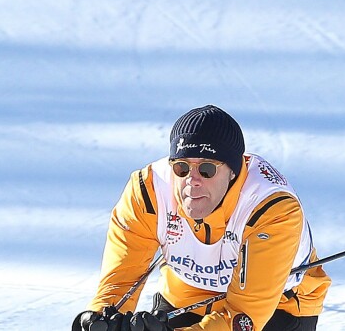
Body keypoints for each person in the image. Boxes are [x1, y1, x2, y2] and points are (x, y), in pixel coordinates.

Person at [73, 105, 331, 331]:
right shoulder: (148, 192)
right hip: (186, 295)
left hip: (278, 306)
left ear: (233, 171)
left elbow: (244, 317)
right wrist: (100, 317)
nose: (191, 181)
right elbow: (121, 282)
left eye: (206, 169)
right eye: (181, 168)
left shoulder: (271, 209)